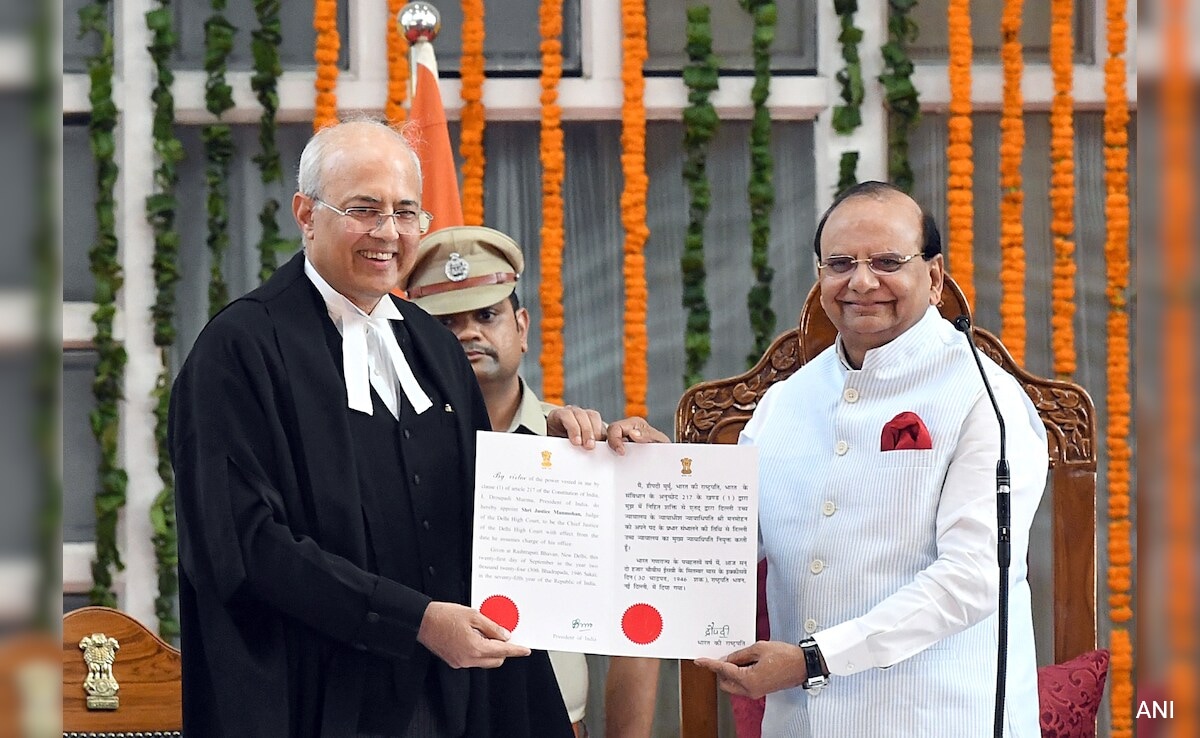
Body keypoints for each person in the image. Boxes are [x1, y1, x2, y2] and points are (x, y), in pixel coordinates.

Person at [170, 118, 611, 737]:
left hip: (452, 700)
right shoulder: (237, 350)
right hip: (314, 703)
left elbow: (484, 514)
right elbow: (242, 546)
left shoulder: (431, 341)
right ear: (305, 213)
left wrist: (598, 463)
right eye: (363, 209)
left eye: (406, 212)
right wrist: (416, 621)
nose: (388, 233)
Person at [696, 181, 1047, 737]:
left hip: (939, 719)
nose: (860, 282)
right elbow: (721, 539)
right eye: (840, 263)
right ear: (819, 277)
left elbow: (972, 579)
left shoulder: (985, 398)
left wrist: (815, 658)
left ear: (932, 278)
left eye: (886, 261)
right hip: (802, 723)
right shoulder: (785, 401)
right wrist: (643, 476)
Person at [406, 225, 665, 738]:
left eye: (487, 315)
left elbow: (637, 628)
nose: (468, 334)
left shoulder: (583, 448)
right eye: (446, 321)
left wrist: (648, 486)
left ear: (522, 327)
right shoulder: (388, 454)